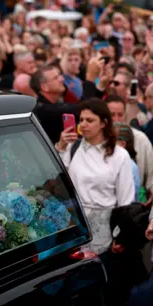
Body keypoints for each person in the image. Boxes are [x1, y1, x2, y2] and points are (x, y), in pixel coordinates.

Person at [56, 98, 134, 255]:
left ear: (103, 123)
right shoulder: (73, 147)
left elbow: (126, 202)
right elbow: (59, 178)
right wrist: (61, 147)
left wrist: (119, 237)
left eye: (90, 120)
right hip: (74, 226)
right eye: (81, 120)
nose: (83, 124)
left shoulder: (119, 156)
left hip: (105, 232)